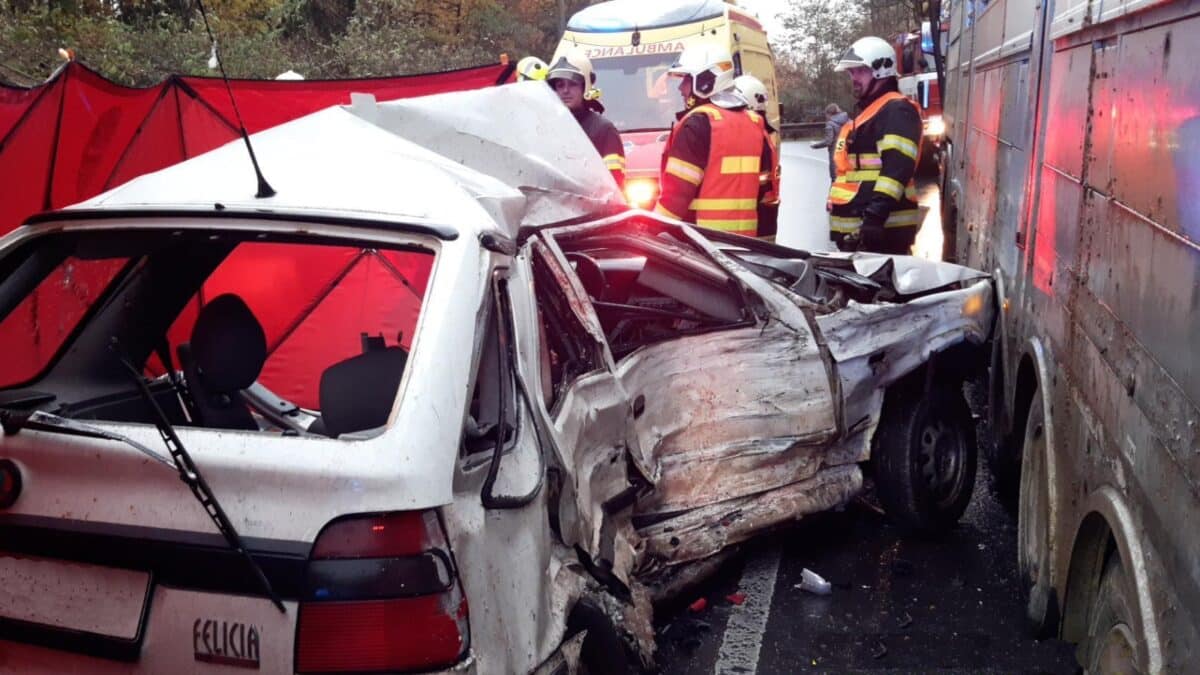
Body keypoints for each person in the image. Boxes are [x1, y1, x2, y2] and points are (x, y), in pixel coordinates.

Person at [654, 47, 774, 238]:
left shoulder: (698, 124)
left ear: (703, 81)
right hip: (746, 242)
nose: (680, 88)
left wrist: (651, 229)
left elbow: (677, 195)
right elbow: (764, 189)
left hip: (701, 241)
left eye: (686, 79)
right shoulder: (755, 123)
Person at [827, 36, 923, 254]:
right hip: (864, 234)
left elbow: (896, 169)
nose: (853, 78)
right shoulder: (874, 112)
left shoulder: (897, 110)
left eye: (860, 71)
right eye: (851, 72)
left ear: (881, 70)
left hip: (882, 234)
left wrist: (874, 216)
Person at [546, 49, 625, 188]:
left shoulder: (604, 130)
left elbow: (614, 184)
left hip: (596, 208)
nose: (565, 90)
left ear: (585, 86)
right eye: (560, 85)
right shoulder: (549, 129)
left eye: (572, 83)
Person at [731, 74, 781, 238]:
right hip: (768, 212)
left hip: (756, 213)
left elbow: (759, 181)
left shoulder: (752, 133)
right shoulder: (765, 131)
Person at [810, 103, 850, 181]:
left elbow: (828, 141)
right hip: (848, 153)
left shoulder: (830, 124)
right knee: (846, 179)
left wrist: (815, 145)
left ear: (829, 114)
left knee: (835, 178)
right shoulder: (848, 121)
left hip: (836, 155)